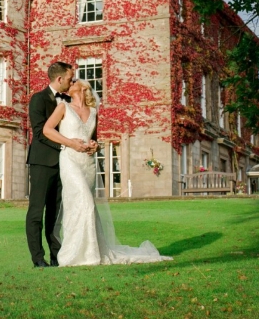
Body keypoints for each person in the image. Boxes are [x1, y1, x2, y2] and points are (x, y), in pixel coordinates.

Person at [44, 78, 172, 266]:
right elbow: (47, 130)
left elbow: (91, 138)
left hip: (87, 162)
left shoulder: (94, 112)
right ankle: (74, 253)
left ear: (83, 88)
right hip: (70, 159)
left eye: (74, 81)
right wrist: (70, 142)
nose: (69, 83)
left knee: (84, 206)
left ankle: (91, 251)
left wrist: (94, 146)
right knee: (83, 201)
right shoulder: (63, 107)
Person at [25, 62, 95, 268]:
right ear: (59, 79)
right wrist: (69, 146)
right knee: (37, 211)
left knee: (56, 214)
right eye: (70, 78)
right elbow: (40, 133)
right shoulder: (38, 99)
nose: (72, 81)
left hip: (67, 164)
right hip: (43, 162)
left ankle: (58, 256)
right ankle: (38, 258)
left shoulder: (68, 101)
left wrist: (86, 145)